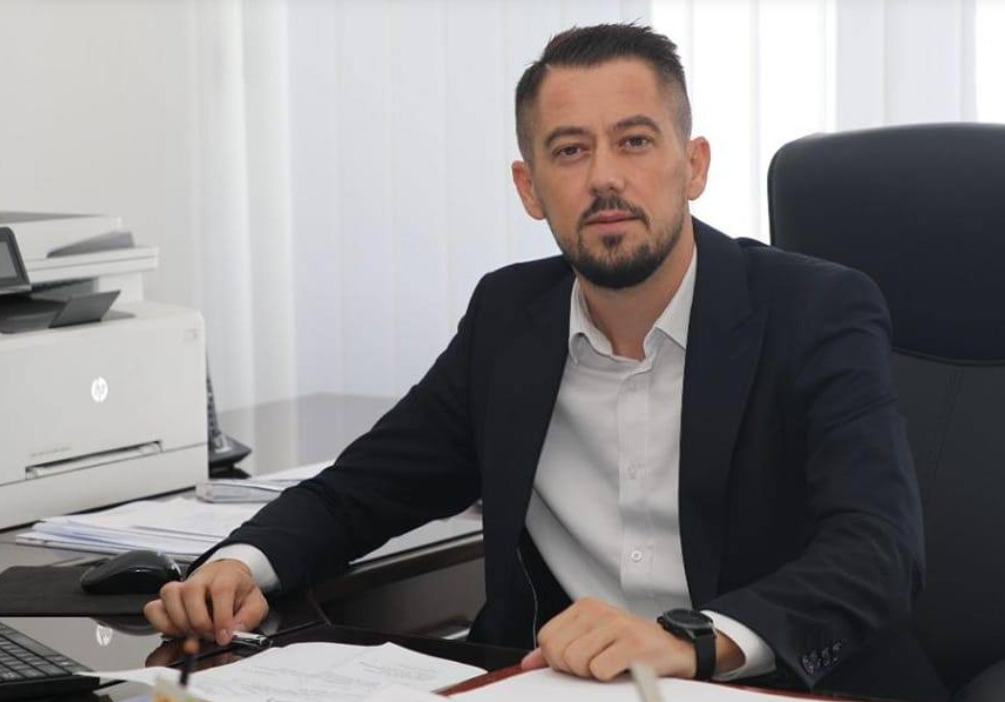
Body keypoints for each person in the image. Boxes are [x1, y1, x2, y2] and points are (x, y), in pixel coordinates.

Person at [146, 23, 944, 701]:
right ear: (530, 188)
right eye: (570, 150)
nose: (605, 177)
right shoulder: (509, 319)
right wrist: (238, 567)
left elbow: (875, 550)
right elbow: (361, 490)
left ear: (693, 165)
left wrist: (689, 641)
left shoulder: (814, 310)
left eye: (635, 141)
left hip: (778, 688)